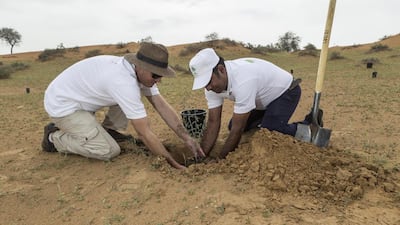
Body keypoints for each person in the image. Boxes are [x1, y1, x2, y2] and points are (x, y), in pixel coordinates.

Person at [42, 42, 204, 169]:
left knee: (134, 93)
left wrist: (187, 138)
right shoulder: (123, 82)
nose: (159, 80)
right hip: (63, 106)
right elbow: (144, 132)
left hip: (81, 98)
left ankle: (110, 131)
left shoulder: (138, 74)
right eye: (155, 75)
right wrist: (172, 163)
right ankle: (54, 138)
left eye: (160, 75)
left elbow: (161, 105)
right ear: (140, 66)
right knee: (108, 150)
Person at [189, 48, 305, 159]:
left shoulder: (243, 80)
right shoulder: (211, 87)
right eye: (204, 83)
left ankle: (306, 128)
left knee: (269, 131)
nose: (208, 88)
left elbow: (237, 129)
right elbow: (213, 122)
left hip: (285, 92)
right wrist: (202, 155)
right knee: (232, 125)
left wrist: (221, 160)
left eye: (208, 81)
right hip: (260, 100)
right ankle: (268, 120)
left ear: (221, 70)